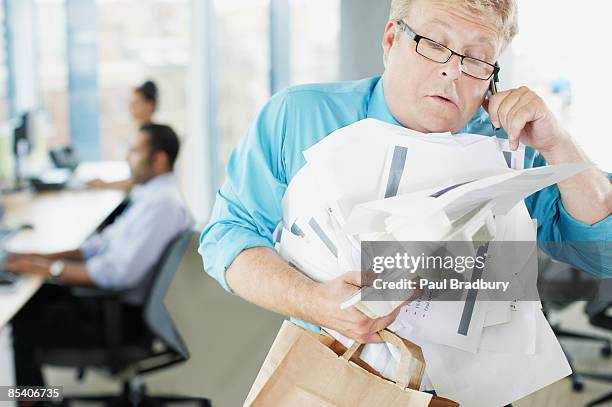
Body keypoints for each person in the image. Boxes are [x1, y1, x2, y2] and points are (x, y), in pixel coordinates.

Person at [200, 0, 611, 358]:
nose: (453, 72)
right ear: (391, 40)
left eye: (477, 58)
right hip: (328, 375)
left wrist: (559, 143)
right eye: (434, 44)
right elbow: (227, 238)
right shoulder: (299, 115)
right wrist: (312, 301)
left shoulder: (512, 145)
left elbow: (602, 255)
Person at [5, 123, 191, 386]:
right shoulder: (151, 196)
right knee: (38, 295)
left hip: (119, 318)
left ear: (159, 159)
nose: (128, 157)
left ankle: (32, 402)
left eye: (135, 151)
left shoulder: (163, 206)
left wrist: (50, 269)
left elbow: (116, 273)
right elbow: (99, 245)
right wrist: (41, 257)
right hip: (110, 304)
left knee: (23, 317)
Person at [88, 80, 160, 191]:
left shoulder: (153, 138)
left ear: (150, 105)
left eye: (135, 103)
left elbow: (139, 181)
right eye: (130, 103)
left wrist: (105, 185)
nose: (130, 108)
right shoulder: (138, 133)